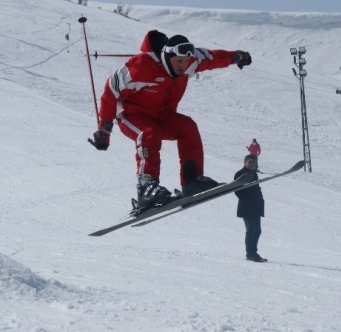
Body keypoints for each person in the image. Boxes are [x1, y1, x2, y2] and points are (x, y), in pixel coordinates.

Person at [90, 31, 252, 210]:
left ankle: (192, 181)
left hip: (162, 116)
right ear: (167, 57)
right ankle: (146, 188)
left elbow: (213, 57)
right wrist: (104, 129)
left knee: (187, 127)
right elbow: (110, 91)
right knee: (149, 133)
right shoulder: (140, 67)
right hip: (132, 115)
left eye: (186, 61)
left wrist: (237, 57)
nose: (183, 66)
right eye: (179, 62)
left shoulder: (191, 61)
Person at [234, 155, 267, 262]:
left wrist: (260, 201)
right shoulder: (240, 174)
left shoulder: (254, 174)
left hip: (256, 206)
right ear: (244, 162)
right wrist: (249, 199)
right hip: (247, 207)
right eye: (250, 162)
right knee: (251, 230)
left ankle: (254, 252)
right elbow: (237, 192)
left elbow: (256, 189)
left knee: (257, 230)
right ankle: (250, 254)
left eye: (253, 163)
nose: (252, 164)